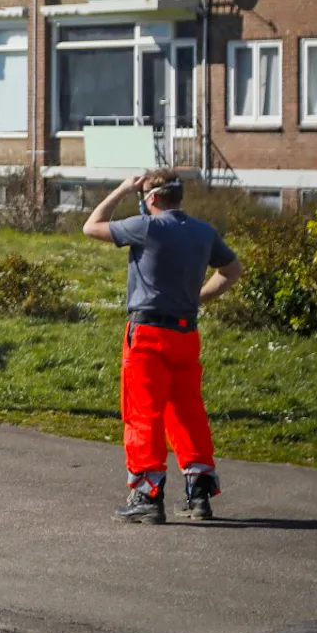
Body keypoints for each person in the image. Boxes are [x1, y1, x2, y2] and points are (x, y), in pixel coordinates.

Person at [82, 168, 245, 523]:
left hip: (148, 335)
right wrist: (196, 297)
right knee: (187, 411)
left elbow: (91, 225)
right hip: (186, 333)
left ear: (152, 198)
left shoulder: (147, 227)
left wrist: (124, 188)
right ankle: (199, 493)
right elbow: (232, 270)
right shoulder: (203, 232)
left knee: (143, 413)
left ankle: (147, 493)